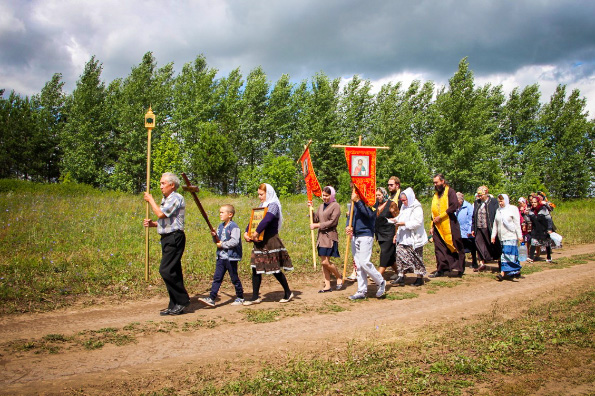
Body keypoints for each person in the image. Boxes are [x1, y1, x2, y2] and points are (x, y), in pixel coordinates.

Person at [143, 172, 191, 316]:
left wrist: (150, 200)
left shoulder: (176, 197)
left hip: (174, 237)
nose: (161, 186)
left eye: (163, 183)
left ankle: (182, 300)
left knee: (166, 270)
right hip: (167, 237)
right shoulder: (167, 198)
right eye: (160, 183)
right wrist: (153, 225)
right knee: (173, 271)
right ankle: (174, 304)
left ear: (172, 185)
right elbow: (167, 220)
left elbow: (161, 214)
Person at [243, 183, 293, 305]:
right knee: (255, 268)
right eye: (259, 194)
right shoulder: (262, 205)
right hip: (259, 241)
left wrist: (257, 232)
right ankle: (255, 297)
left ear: (268, 193)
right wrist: (247, 232)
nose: (260, 197)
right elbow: (254, 220)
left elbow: (267, 219)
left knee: (274, 269)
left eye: (262, 194)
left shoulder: (273, 205)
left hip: (270, 241)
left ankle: (288, 292)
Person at [199, 204, 244, 307]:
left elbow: (235, 241)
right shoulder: (220, 226)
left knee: (234, 278)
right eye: (220, 212)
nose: (220, 214)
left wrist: (223, 244)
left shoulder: (234, 226)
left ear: (230, 214)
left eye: (222, 212)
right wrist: (214, 236)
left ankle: (240, 296)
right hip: (221, 257)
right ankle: (211, 298)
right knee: (217, 278)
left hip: (231, 257)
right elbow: (218, 241)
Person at [346, 189, 386, 299]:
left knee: (364, 262)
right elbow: (351, 214)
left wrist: (358, 201)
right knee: (358, 265)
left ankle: (380, 281)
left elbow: (369, 215)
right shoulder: (355, 196)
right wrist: (348, 225)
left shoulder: (371, 199)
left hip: (366, 234)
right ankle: (361, 291)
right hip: (355, 234)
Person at [429, 174, 465, 278]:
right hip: (437, 226)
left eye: (437, 182)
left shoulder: (450, 191)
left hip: (450, 223)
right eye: (434, 183)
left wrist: (441, 216)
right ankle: (441, 269)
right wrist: (432, 226)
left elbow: (454, 206)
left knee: (455, 245)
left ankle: (459, 269)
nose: (435, 185)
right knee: (439, 248)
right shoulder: (436, 194)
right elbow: (433, 212)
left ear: (443, 181)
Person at [310, 186, 343, 292]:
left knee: (325, 262)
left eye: (327, 196)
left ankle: (338, 276)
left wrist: (317, 225)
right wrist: (311, 210)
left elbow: (332, 222)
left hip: (330, 237)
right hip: (321, 237)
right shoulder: (321, 206)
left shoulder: (336, 206)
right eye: (323, 195)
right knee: (323, 262)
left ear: (331, 195)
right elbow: (315, 219)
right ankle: (327, 285)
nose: (324, 197)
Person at [392, 188, 428, 286]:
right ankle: (401, 276)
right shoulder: (404, 206)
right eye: (402, 200)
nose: (403, 202)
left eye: (405, 200)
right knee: (399, 254)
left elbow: (418, 222)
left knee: (417, 257)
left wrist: (404, 224)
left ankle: (419, 278)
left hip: (414, 238)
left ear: (410, 198)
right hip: (404, 237)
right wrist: (394, 220)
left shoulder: (416, 207)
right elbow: (400, 217)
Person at [491, 194, 523, 281]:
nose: (500, 203)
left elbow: (517, 223)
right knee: (510, 255)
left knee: (506, 254)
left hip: (511, 236)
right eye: (499, 201)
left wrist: (520, 236)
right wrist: (493, 235)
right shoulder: (498, 210)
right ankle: (516, 271)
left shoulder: (513, 209)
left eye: (502, 201)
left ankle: (502, 273)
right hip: (502, 237)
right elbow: (495, 224)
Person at [472, 186, 501, 272]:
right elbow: (474, 216)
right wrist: (473, 228)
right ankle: (482, 263)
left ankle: (500, 262)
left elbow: (497, 214)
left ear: (486, 193)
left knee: (493, 244)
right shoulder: (477, 203)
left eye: (481, 195)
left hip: (490, 227)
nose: (480, 197)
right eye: (479, 195)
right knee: (479, 243)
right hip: (479, 227)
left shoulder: (493, 202)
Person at [374, 187, 399, 278]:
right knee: (390, 256)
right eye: (376, 195)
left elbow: (398, 219)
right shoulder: (375, 205)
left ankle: (378, 275)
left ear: (384, 194)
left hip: (389, 233)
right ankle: (399, 272)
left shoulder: (391, 204)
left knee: (385, 253)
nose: (377, 197)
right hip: (379, 233)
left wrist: (396, 234)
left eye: (379, 195)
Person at [527, 195, 554, 263]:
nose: (533, 204)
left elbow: (549, 219)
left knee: (547, 243)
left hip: (544, 229)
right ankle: (531, 257)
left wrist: (549, 229)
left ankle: (548, 257)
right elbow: (528, 220)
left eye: (535, 202)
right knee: (533, 242)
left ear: (538, 202)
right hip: (535, 229)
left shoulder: (543, 209)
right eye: (532, 202)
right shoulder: (531, 210)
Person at [455, 192, 477, 269]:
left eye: (457, 200)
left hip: (467, 231)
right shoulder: (455, 206)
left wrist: (469, 230)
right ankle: (461, 263)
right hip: (458, 231)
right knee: (460, 248)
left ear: (461, 200)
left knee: (472, 248)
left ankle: (474, 262)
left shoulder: (468, 206)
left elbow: (471, 219)